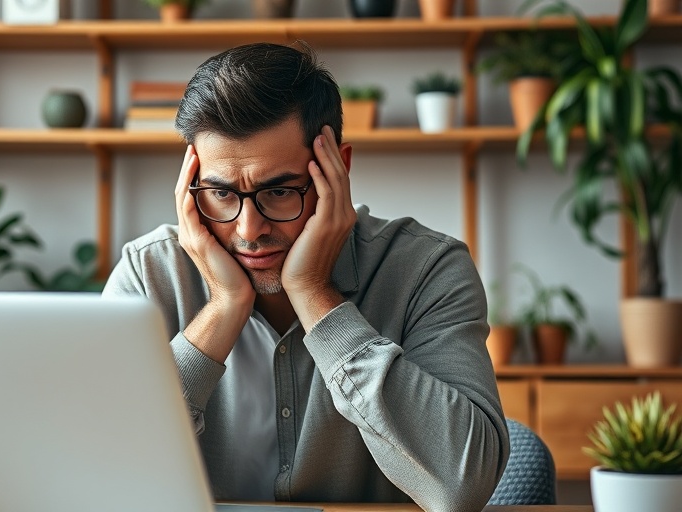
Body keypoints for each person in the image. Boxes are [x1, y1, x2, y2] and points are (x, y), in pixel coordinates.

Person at [103, 41, 509, 512]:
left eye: (278, 191)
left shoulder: (427, 270)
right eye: (220, 193)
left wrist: (316, 296)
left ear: (338, 169)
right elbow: (93, 464)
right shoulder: (148, 273)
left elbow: (464, 485)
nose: (248, 229)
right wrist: (221, 309)